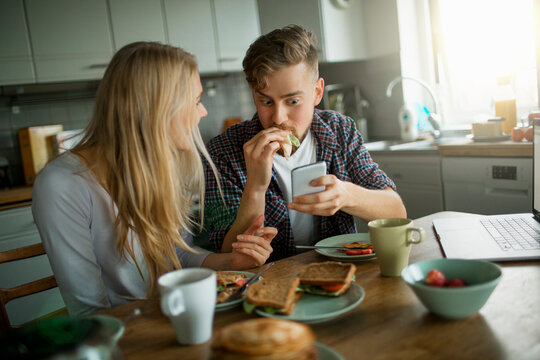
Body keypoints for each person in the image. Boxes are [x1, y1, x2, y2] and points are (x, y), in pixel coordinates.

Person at [32, 42, 276, 316]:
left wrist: (231, 260)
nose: (203, 112)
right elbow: (91, 313)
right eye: (195, 101)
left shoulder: (157, 166)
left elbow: (178, 256)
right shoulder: (63, 184)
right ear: (157, 109)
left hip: (173, 317)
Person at [203, 25, 406, 261]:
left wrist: (347, 195)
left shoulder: (341, 131)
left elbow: (397, 212)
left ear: (317, 92)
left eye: (293, 101)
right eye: (266, 102)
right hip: (268, 283)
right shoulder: (223, 151)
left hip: (340, 271)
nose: (278, 118)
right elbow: (228, 256)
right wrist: (256, 188)